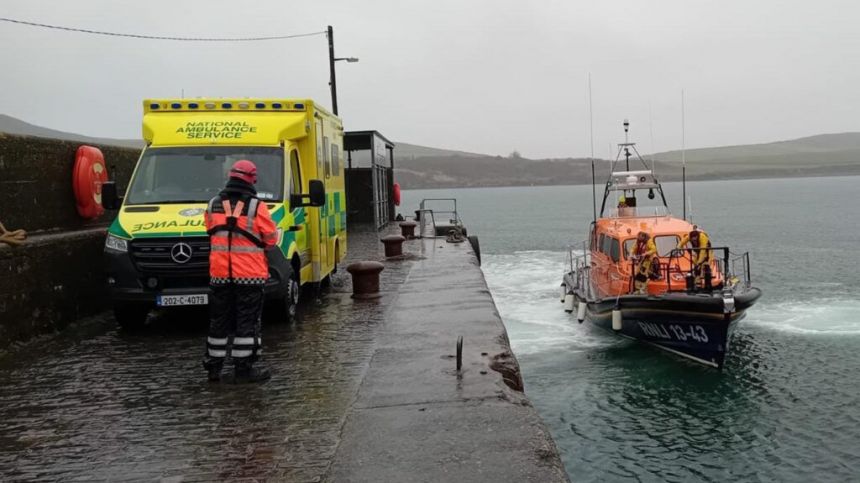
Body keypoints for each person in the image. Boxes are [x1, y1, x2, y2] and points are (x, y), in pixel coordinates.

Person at [203, 160, 278, 383]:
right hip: (249, 275)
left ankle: (214, 369)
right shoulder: (257, 206)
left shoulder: (213, 204)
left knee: (219, 321)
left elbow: (209, 230)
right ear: (252, 179)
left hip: (219, 274)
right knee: (247, 321)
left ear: (230, 176)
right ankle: (244, 370)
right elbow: (271, 239)